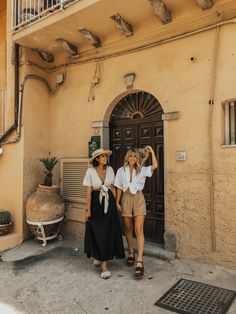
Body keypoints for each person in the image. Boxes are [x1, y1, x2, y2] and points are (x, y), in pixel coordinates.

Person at [115, 146, 158, 279]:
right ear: (127, 157)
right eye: (130, 156)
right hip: (126, 199)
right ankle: (131, 253)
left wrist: (151, 151)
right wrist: (117, 202)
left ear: (137, 158)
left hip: (139, 198)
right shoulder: (121, 171)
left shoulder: (143, 170)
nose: (132, 158)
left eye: (135, 156)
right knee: (128, 228)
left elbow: (155, 166)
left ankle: (140, 261)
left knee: (139, 229)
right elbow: (119, 187)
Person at [83, 148, 125, 279]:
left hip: (109, 203)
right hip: (96, 203)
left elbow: (112, 187)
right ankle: (99, 256)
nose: (105, 158)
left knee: (107, 231)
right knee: (97, 231)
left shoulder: (110, 170)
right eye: (103, 157)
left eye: (106, 157)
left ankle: (104, 265)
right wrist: (88, 209)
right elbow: (89, 192)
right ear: (97, 159)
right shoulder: (90, 171)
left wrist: (117, 203)